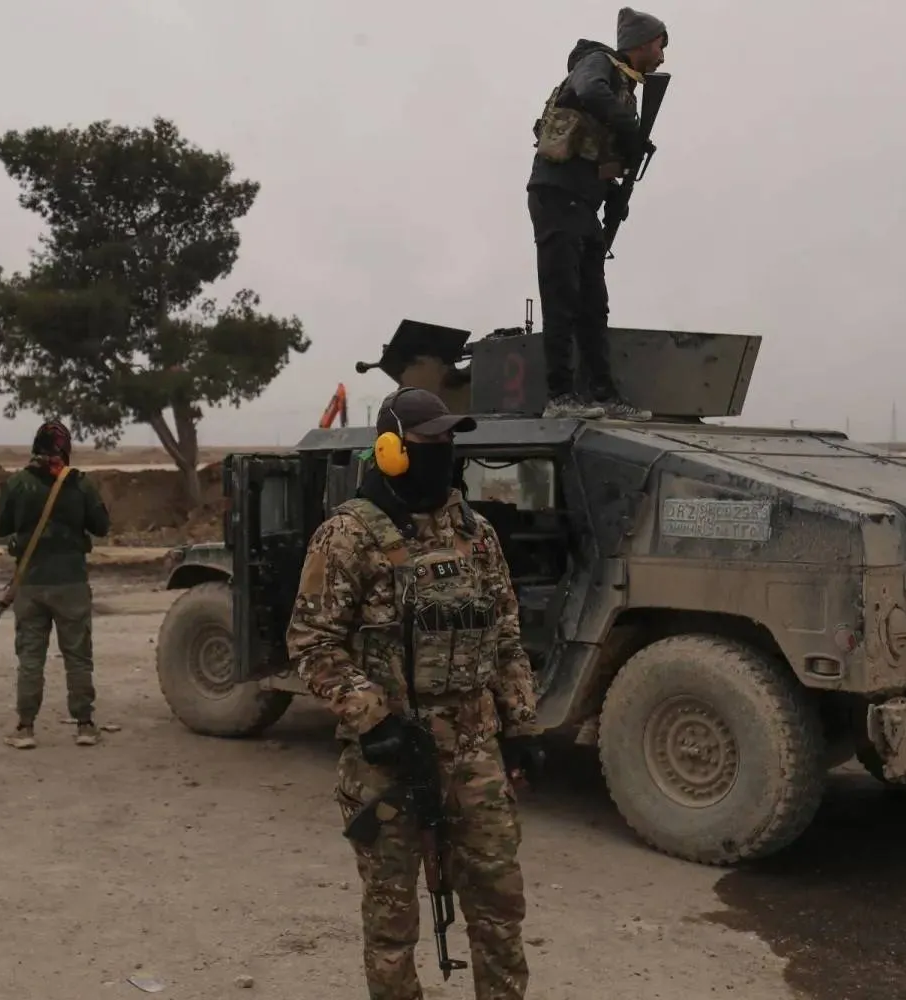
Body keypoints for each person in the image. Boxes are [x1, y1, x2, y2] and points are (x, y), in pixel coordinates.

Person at [286, 387, 543, 1000]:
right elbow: (312, 642)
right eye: (430, 444)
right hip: (390, 762)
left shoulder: (477, 534)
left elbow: (506, 636)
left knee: (500, 911)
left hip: (475, 756)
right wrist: (374, 720)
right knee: (392, 922)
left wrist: (523, 729)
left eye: (450, 443)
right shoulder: (347, 537)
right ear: (391, 450)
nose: (444, 455)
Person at [526, 6, 669, 423]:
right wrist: (631, 131)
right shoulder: (597, 65)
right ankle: (560, 396)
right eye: (660, 44)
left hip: (584, 201)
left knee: (593, 304)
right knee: (562, 296)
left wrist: (615, 195)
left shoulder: (625, 86)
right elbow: (588, 92)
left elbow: (601, 155)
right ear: (642, 42)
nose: (662, 55)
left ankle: (603, 394)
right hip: (556, 194)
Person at [0, 419, 111, 750]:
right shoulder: (80, 484)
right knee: (78, 655)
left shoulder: (17, 484)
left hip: (31, 582)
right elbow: (102, 526)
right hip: (71, 580)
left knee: (31, 656)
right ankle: (85, 725)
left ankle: (25, 728)